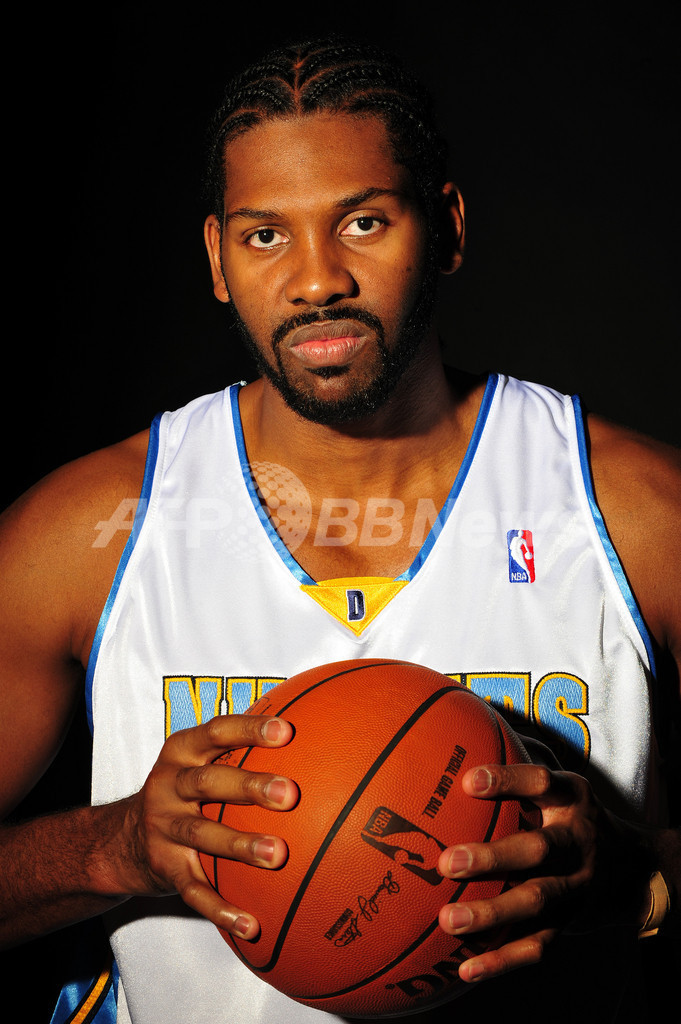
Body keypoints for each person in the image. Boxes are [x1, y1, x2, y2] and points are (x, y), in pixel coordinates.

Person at [1, 35, 679, 1024]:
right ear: (216, 259)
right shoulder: (88, 533)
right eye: (264, 236)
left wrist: (640, 875)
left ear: (445, 227)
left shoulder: (633, 514)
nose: (316, 280)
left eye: (362, 222)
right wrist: (114, 848)